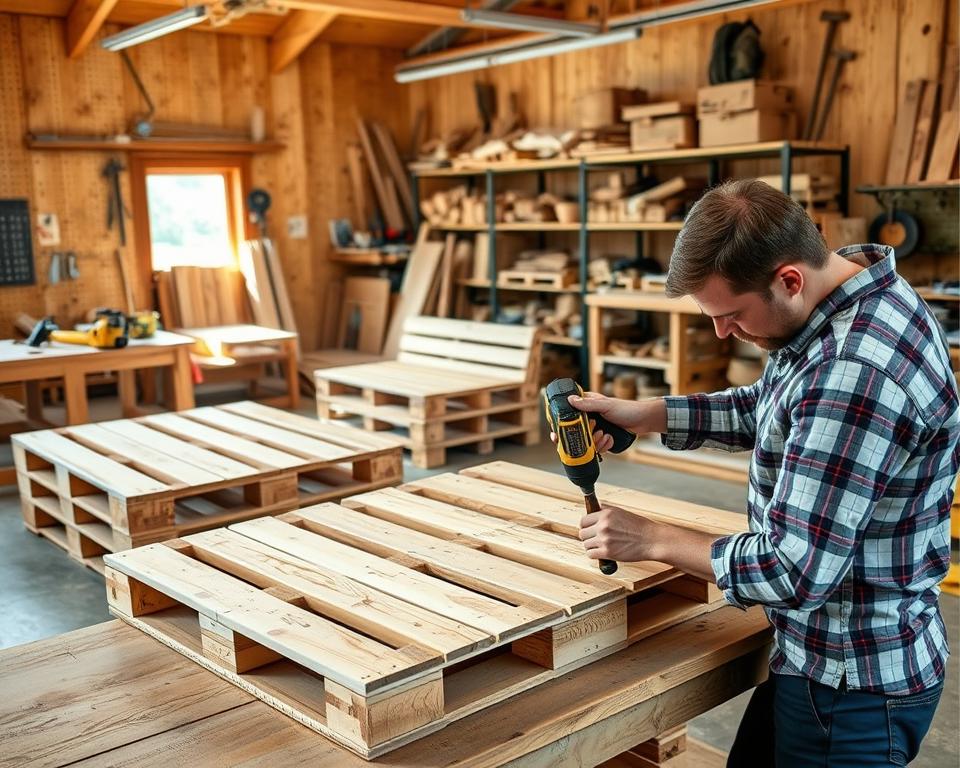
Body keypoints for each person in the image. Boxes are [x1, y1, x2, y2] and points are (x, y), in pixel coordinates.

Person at [566, 179, 959, 766]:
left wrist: (650, 538)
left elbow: (795, 569)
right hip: (816, 654)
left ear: (788, 280)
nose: (723, 332)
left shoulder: (852, 373)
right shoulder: (843, 298)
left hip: (852, 680)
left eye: (730, 315)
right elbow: (768, 408)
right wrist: (645, 414)